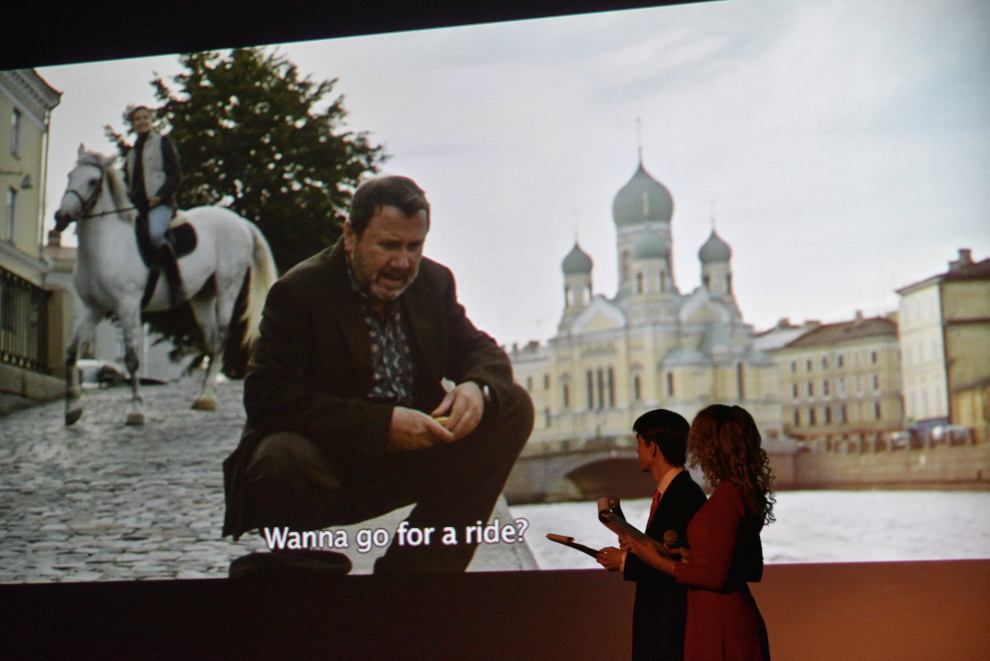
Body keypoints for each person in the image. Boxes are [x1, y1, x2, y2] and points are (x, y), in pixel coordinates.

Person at [222, 175, 534, 573]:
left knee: (512, 405)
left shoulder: (433, 282)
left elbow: (481, 350)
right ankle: (298, 571)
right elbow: (266, 397)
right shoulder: (299, 292)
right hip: (327, 466)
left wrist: (476, 386)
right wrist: (382, 425)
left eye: (414, 246)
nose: (403, 263)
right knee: (283, 456)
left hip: (410, 456)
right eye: (388, 245)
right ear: (350, 236)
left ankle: (416, 574)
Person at [626, 404, 774, 661]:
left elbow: (715, 577)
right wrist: (689, 556)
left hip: (718, 620)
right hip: (719, 616)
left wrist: (658, 561)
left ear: (712, 444)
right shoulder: (737, 492)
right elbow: (749, 568)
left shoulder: (727, 497)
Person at [596, 409, 707, 661]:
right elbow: (663, 553)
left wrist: (623, 561)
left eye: (639, 444)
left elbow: (677, 566)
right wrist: (634, 544)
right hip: (663, 624)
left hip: (669, 627)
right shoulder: (679, 492)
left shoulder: (682, 495)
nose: (636, 451)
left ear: (654, 448)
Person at [122, 105, 185, 307]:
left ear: (151, 121)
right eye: (137, 119)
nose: (142, 121)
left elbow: (175, 175)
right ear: (133, 125)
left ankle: (177, 284)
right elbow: (126, 182)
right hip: (139, 208)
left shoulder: (162, 142)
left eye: (145, 118)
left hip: (160, 204)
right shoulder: (131, 154)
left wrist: (159, 196)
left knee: (156, 234)